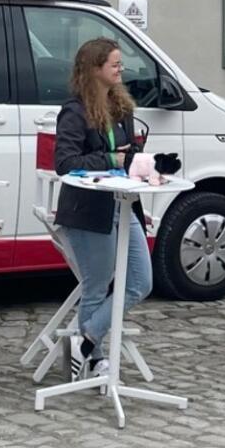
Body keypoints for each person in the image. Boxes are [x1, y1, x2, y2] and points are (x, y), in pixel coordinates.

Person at [53, 37, 155, 378]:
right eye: (115, 64)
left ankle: (84, 341)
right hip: (88, 210)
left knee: (141, 281)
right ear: (95, 68)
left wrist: (141, 165)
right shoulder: (74, 111)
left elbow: (128, 158)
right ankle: (94, 361)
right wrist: (111, 158)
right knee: (97, 286)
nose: (121, 69)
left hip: (124, 206)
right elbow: (65, 163)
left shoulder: (122, 107)